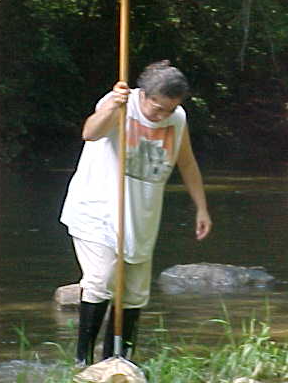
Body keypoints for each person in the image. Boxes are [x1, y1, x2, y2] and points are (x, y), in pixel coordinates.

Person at [60, 60, 213, 365]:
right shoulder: (119, 103)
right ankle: (82, 362)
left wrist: (201, 208)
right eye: (158, 108)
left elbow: (186, 162)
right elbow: (90, 132)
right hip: (96, 209)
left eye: (170, 109)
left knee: (134, 293)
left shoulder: (177, 118)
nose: (163, 116)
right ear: (143, 94)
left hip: (141, 216)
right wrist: (111, 108)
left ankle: (118, 362)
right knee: (101, 279)